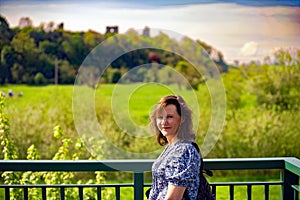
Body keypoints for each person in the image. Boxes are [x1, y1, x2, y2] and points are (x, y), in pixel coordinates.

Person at [147, 94, 200, 200]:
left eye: (170, 117)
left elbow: (173, 198)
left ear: (182, 119)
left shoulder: (184, 150)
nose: (164, 122)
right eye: (160, 117)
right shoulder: (171, 147)